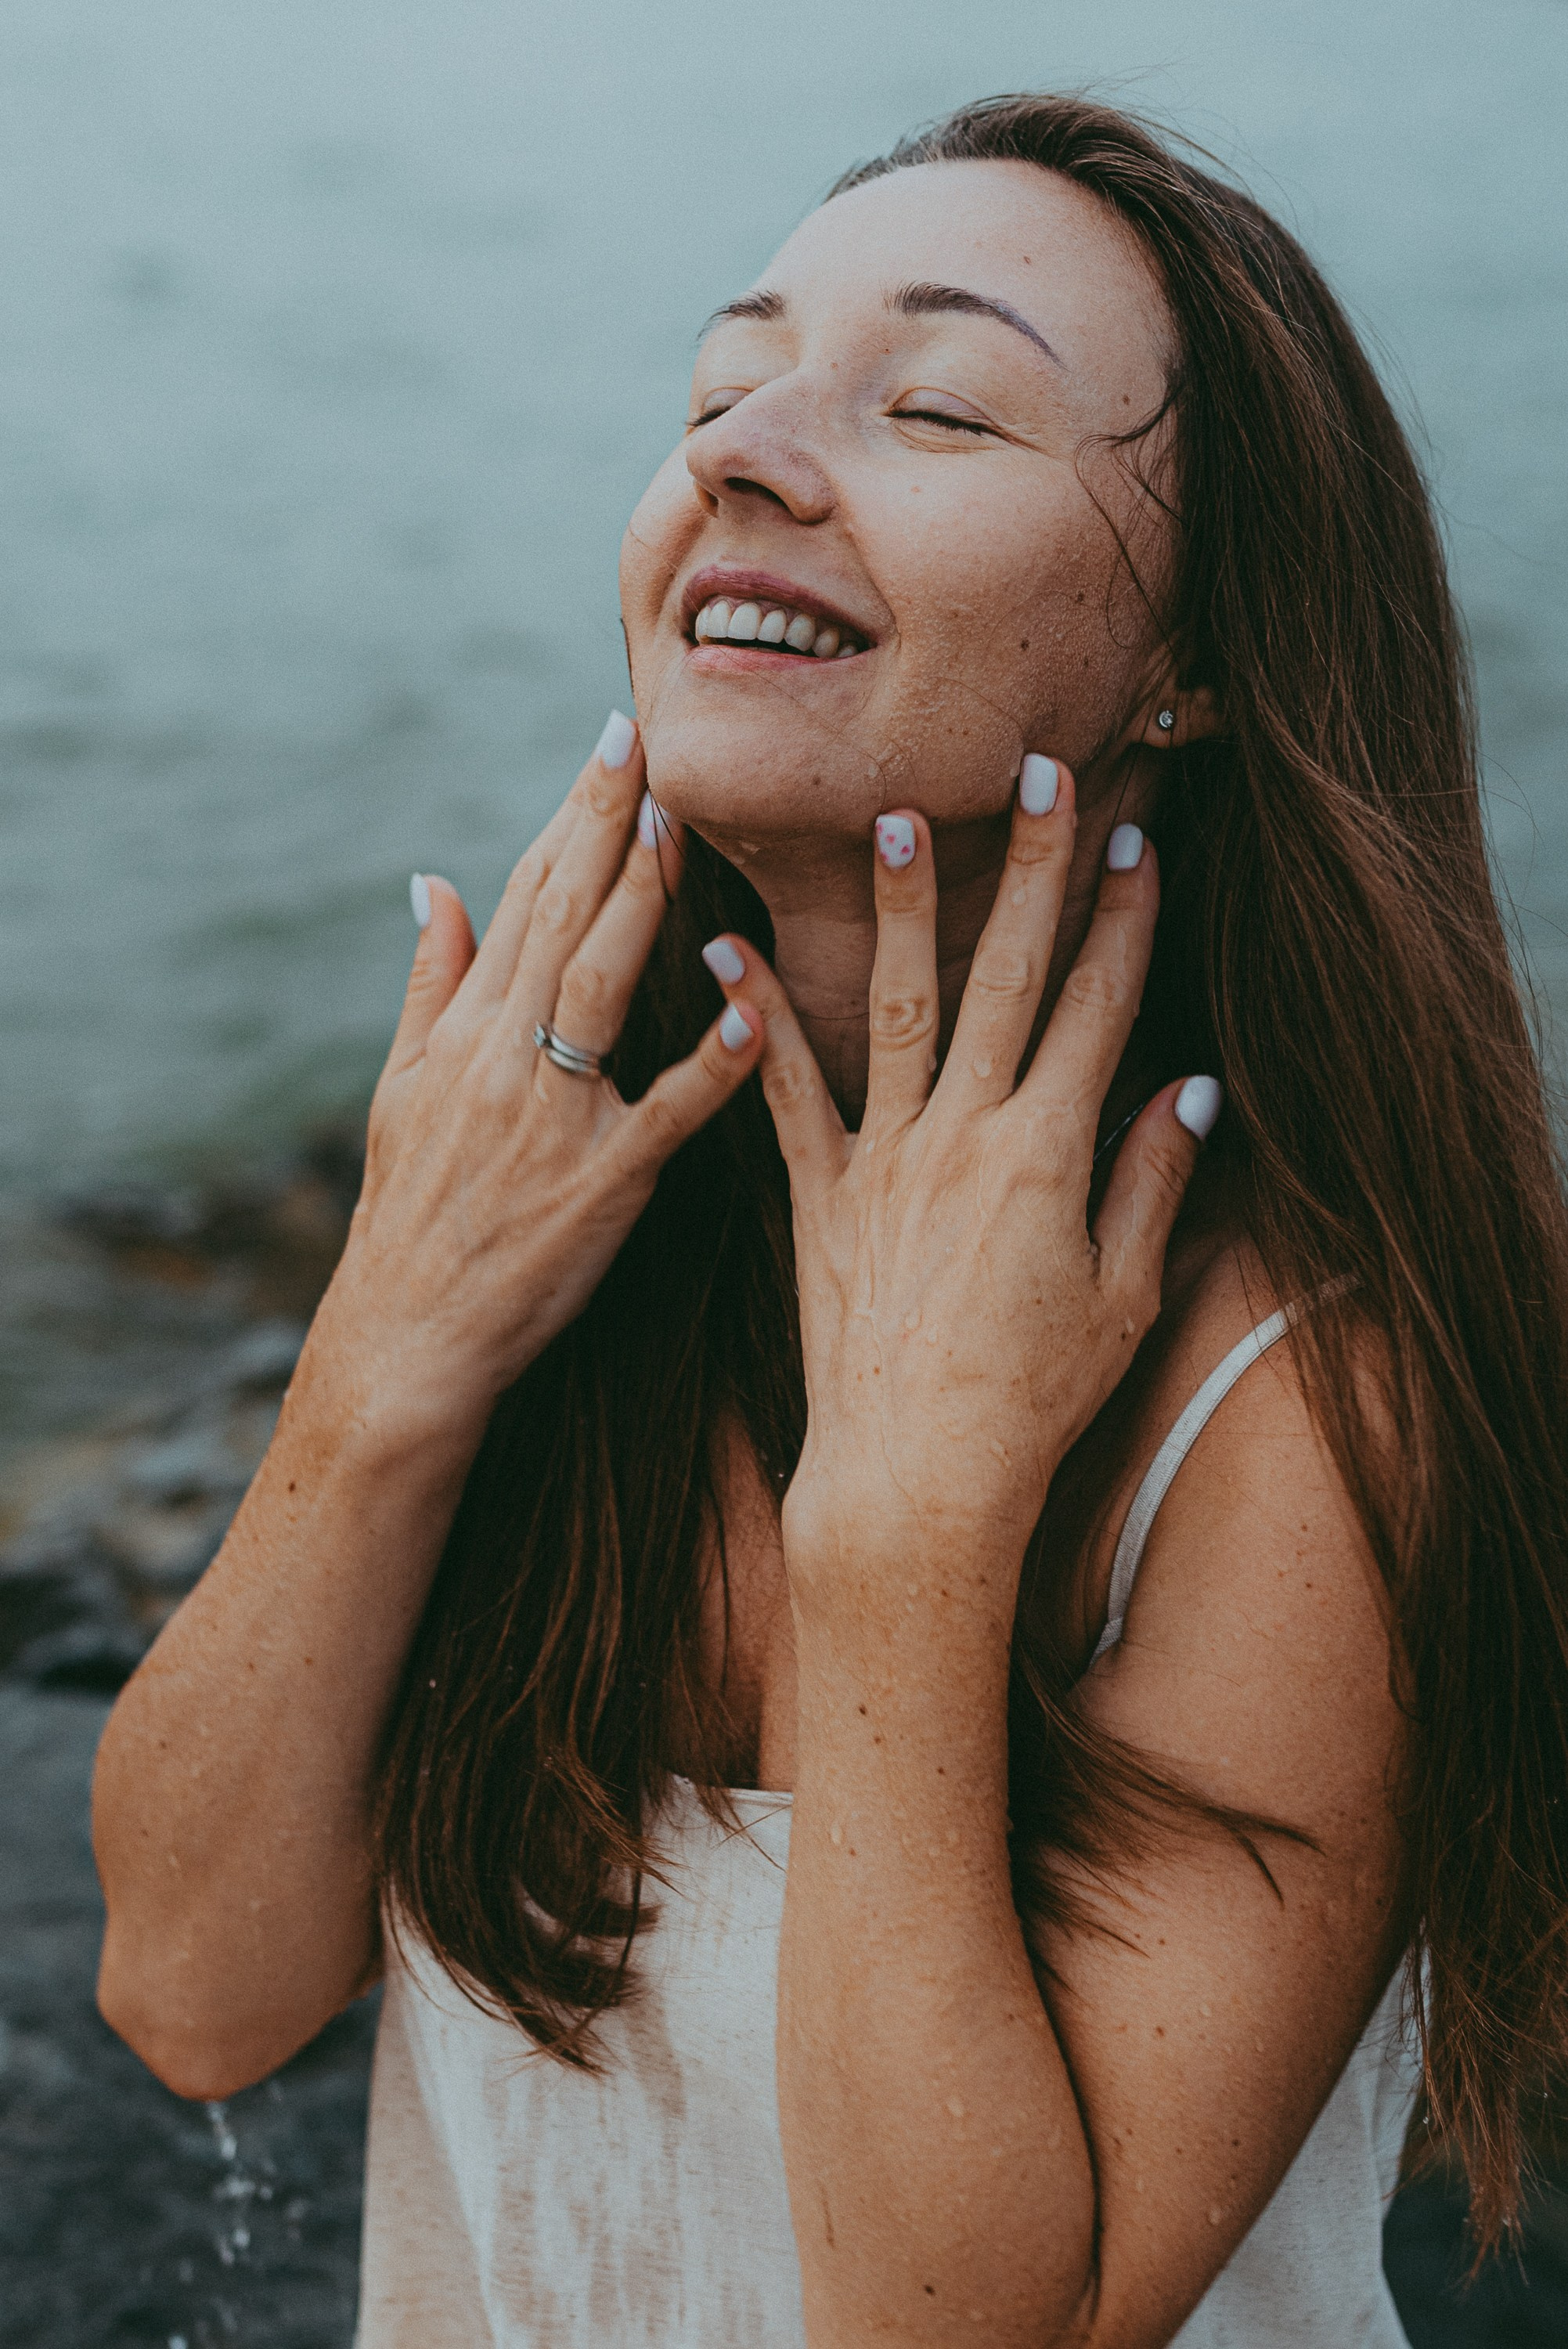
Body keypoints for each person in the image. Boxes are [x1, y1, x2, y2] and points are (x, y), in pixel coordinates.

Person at [92, 92, 1568, 2348]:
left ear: (1205, 657)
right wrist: (389, 1344)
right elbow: (195, 1991)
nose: (746, 450)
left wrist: (903, 1537)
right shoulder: (568, 1215)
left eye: (937, 404)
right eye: (719, 387)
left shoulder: (1303, 1385)